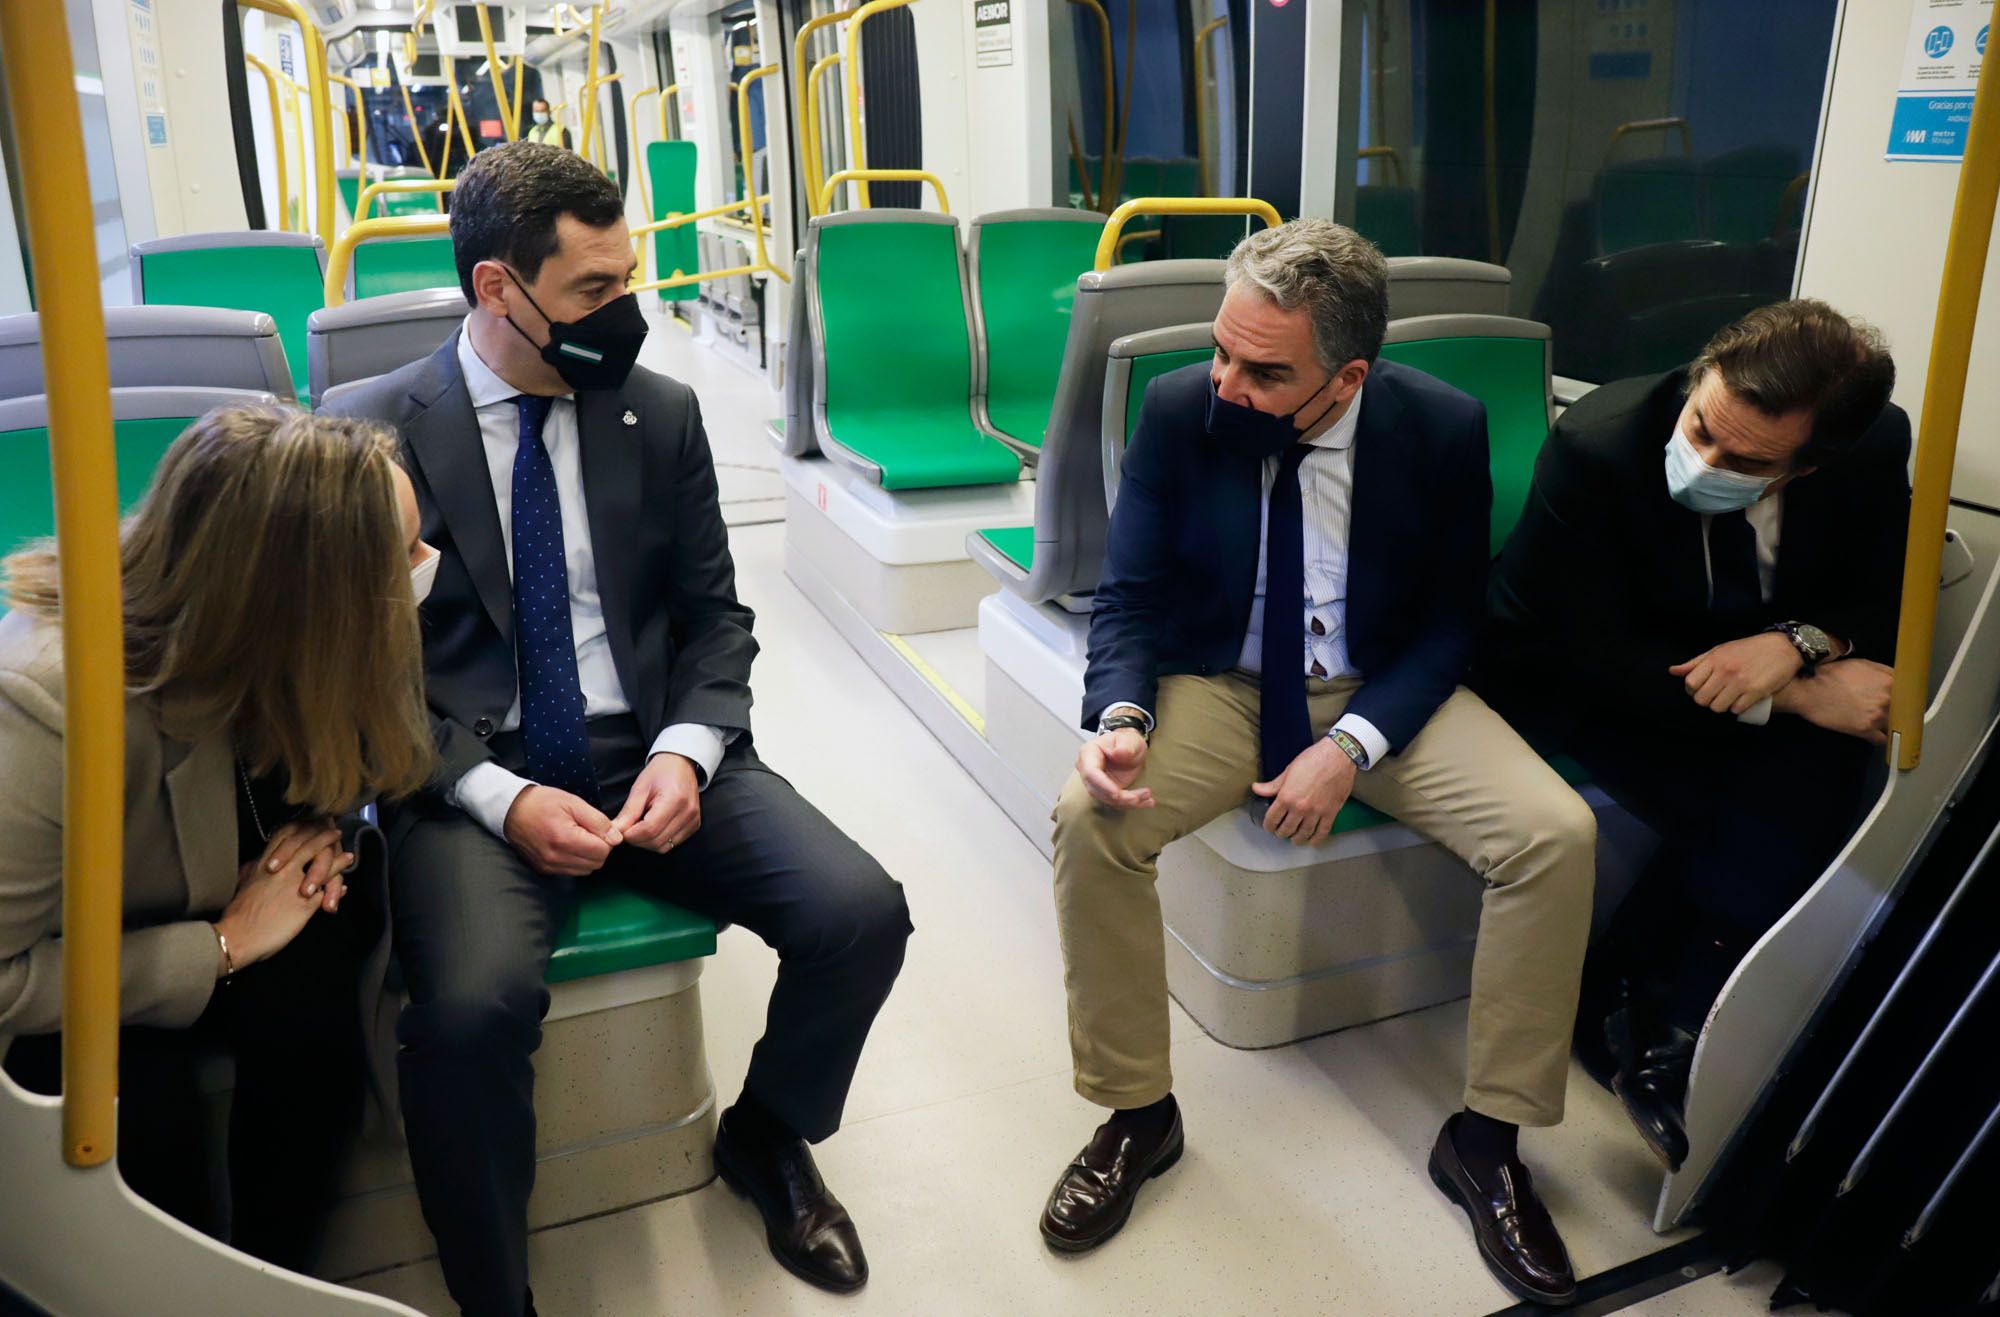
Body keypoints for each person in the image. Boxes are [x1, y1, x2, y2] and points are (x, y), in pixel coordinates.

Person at [326, 140, 911, 1317]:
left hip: (646, 743)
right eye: (593, 292)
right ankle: (496, 1291)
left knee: (860, 913)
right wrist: (497, 795)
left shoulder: (658, 413)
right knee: (469, 1013)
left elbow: (713, 621)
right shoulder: (364, 432)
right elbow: (354, 675)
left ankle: (766, 1135)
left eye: (626, 281)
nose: (625, 314)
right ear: (499, 289)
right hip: (465, 770)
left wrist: (686, 752)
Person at [1042, 218, 1596, 1308]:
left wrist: (1348, 748)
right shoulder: (1175, 410)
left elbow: (1446, 625)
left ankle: (1487, 1141)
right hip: (1220, 681)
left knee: (1553, 835)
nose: (1223, 382)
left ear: (1346, 375)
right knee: (1091, 820)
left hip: (1374, 685)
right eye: (1219, 351)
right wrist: (1117, 715)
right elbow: (1133, 592)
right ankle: (1136, 1114)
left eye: (1261, 370)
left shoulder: (1440, 427)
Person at [0, 406, 438, 1273]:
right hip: (64, 965)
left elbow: (327, 758)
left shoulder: (264, 636)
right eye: (405, 557)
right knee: (144, 1113)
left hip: (203, 870)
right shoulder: (49, 704)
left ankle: (277, 1275)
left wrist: (316, 836)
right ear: (308, 597)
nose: (428, 571)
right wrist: (225, 944)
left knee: (316, 1012)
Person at [1478, 299, 1909, 1172]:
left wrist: (1797, 647)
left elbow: (1884, 589)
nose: (1704, 460)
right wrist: (1793, 697)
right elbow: (1584, 648)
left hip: (1739, 662)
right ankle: (1647, 1017)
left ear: (1812, 465)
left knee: (1822, 775)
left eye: (1745, 459)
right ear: (1699, 377)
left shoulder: (1871, 450)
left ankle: (1650, 1010)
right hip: (1574, 675)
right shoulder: (1600, 445)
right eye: (1701, 426)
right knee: (1776, 785)